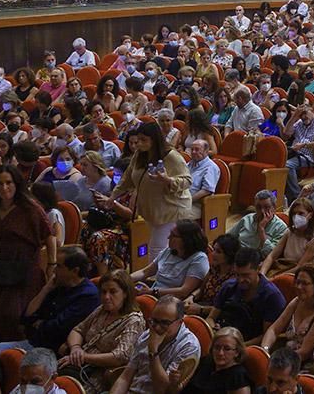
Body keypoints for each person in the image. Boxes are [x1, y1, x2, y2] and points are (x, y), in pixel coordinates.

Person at [0, 165, 57, 341]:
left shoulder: (30, 208)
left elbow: (49, 237)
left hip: (26, 267)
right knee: (1, 316)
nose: (4, 188)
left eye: (9, 183)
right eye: (0, 183)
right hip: (4, 267)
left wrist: (51, 265)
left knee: (16, 315)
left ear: (16, 184)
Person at [57, 270, 146, 394]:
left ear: (125, 293)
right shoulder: (102, 310)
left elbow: (120, 357)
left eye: (113, 292)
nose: (106, 297)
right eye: (103, 292)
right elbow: (78, 330)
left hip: (100, 373)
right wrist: (75, 349)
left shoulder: (134, 321)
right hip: (77, 362)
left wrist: (84, 357)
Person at [112, 121, 192, 260]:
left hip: (171, 209)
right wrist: (111, 197)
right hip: (152, 210)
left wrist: (167, 180)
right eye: (138, 140)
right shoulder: (139, 154)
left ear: (154, 140)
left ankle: (154, 280)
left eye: (144, 140)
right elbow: (127, 178)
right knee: (163, 250)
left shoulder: (171, 156)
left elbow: (187, 181)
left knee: (156, 251)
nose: (139, 144)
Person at [0, 246, 101, 352]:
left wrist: (38, 324)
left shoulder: (88, 296)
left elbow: (57, 329)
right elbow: (26, 317)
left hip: (50, 350)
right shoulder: (59, 285)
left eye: (59, 266)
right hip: (34, 342)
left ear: (75, 270)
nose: (54, 270)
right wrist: (45, 289)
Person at [108, 296, 201, 394]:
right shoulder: (147, 334)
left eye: (165, 323)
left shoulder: (189, 346)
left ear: (180, 322)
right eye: (154, 321)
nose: (157, 327)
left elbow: (163, 390)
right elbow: (125, 377)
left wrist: (153, 351)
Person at [207, 246, 287, 342]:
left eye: (245, 275)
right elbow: (211, 317)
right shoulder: (229, 286)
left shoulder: (272, 296)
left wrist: (239, 347)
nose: (240, 280)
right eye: (237, 275)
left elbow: (267, 336)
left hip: (248, 344)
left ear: (258, 269)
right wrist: (214, 331)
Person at [130, 219, 210, 300]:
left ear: (186, 240)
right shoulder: (168, 251)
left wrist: (152, 292)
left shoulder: (199, 259)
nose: (168, 237)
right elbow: (145, 272)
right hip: (153, 293)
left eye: (173, 235)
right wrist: (126, 278)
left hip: (172, 302)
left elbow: (184, 291)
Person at [182, 326, 252, 394]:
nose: (220, 353)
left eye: (227, 349)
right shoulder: (206, 362)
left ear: (237, 352)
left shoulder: (238, 376)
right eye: (217, 347)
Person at [227, 189, 288, 259]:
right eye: (259, 207)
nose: (262, 211)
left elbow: (271, 254)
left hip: (257, 262)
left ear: (274, 208)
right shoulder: (247, 219)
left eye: (266, 207)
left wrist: (261, 230)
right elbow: (229, 237)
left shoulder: (281, 227)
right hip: (238, 256)